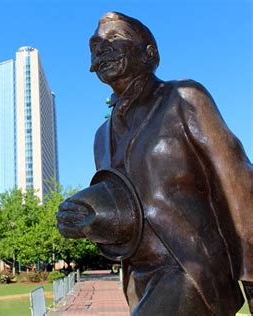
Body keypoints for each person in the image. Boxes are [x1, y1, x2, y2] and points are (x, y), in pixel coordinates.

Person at [57, 12, 252, 315]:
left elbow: (237, 181)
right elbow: (121, 208)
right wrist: (84, 218)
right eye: (95, 44)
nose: (100, 48)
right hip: (137, 279)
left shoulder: (184, 97)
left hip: (192, 269)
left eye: (114, 38)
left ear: (149, 54)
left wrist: (252, 274)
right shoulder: (100, 137)